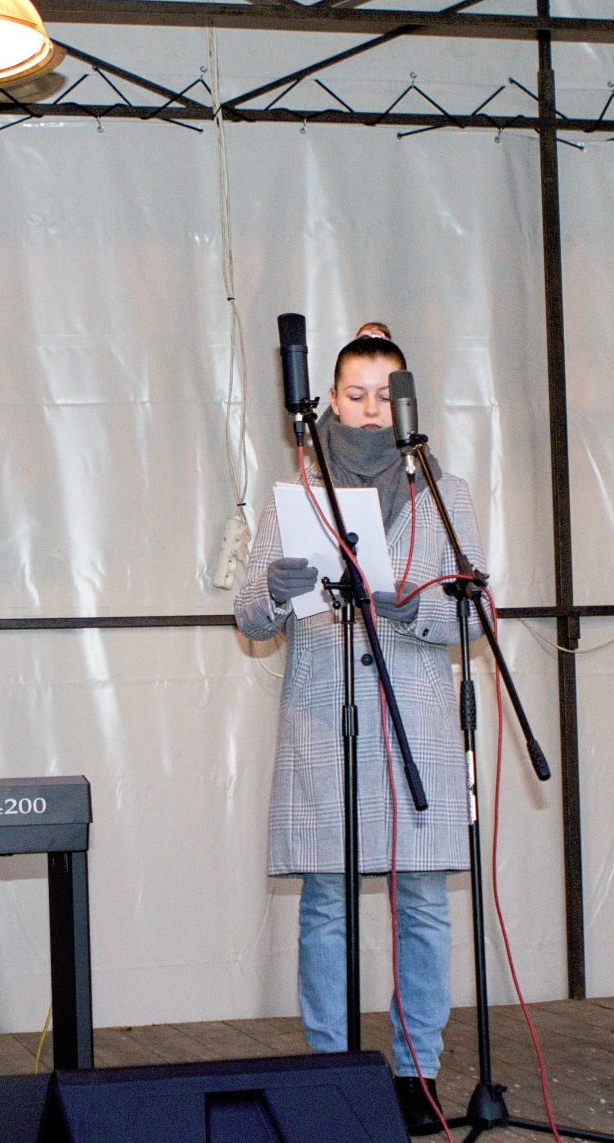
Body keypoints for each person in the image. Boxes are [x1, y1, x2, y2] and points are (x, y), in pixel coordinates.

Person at [233, 331, 487, 1136]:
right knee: (326, 905)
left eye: (385, 395)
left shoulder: (444, 492)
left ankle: (417, 1074)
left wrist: (418, 608)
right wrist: (273, 591)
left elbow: (477, 611)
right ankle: (331, 1071)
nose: (371, 410)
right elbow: (249, 612)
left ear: (406, 404)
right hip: (325, 721)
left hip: (416, 725)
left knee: (423, 904)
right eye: (355, 394)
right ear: (332, 401)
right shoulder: (297, 494)